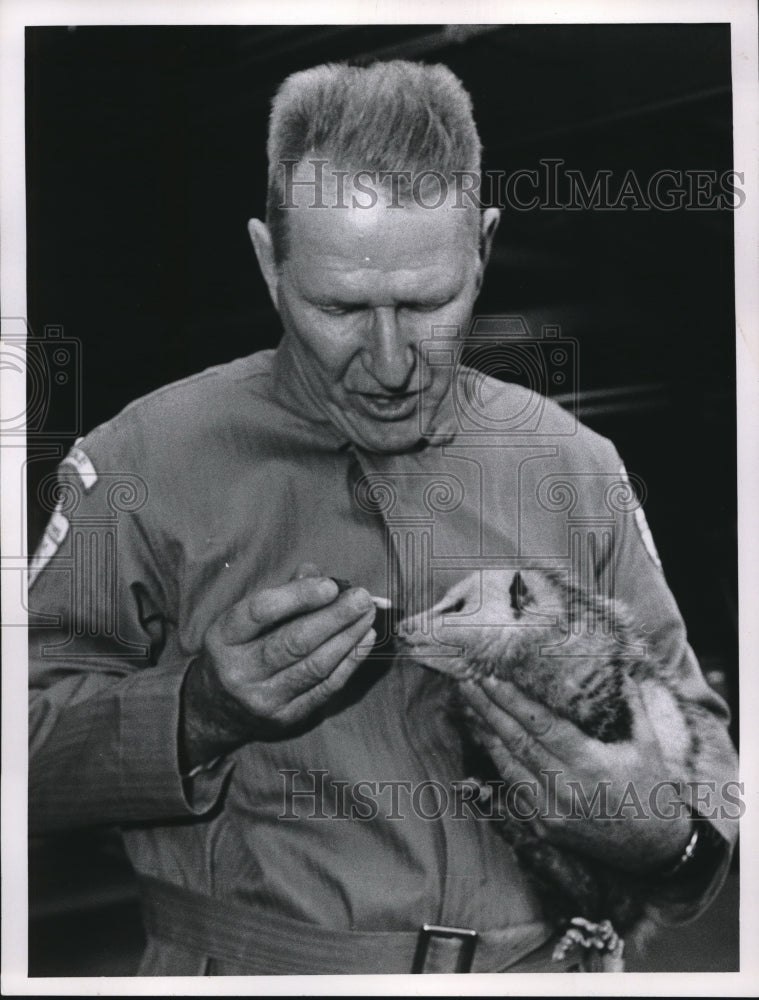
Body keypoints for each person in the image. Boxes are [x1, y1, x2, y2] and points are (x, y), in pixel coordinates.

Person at [28, 60, 739, 976]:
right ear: (267, 261)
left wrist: (661, 840)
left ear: (481, 249)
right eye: (341, 308)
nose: (393, 360)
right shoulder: (138, 464)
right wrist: (194, 714)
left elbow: (701, 732)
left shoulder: (576, 464)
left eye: (427, 302)